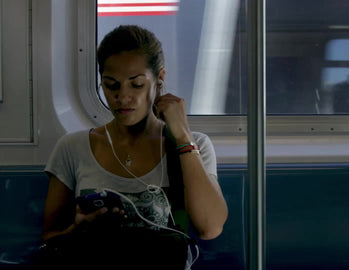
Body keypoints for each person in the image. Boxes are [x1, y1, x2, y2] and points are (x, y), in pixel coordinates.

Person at [39, 25, 228, 269]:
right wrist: (79, 230)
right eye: (111, 85)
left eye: (136, 85)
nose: (122, 97)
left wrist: (182, 137)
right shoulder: (72, 148)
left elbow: (209, 228)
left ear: (159, 80)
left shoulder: (195, 144)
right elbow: (48, 241)